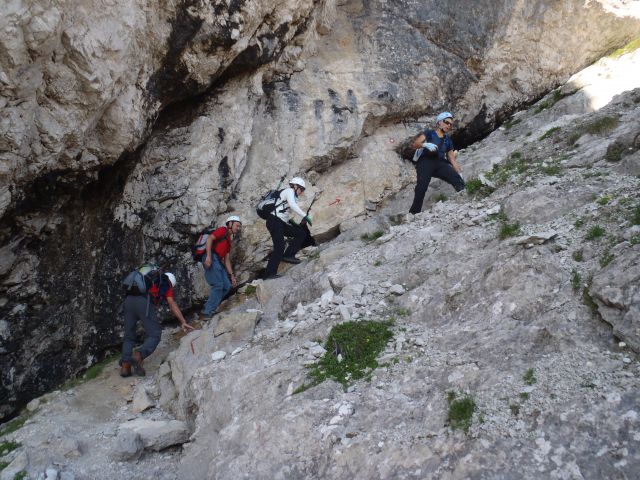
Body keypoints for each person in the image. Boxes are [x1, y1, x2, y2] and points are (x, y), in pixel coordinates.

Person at [121, 270, 194, 377]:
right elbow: (171, 303)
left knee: (129, 336)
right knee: (155, 334)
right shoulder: (166, 284)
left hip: (128, 301)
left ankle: (125, 367)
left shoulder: (147, 278)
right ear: (171, 282)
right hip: (143, 302)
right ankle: (138, 355)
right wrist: (183, 321)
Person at [409, 111, 465, 214]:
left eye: (451, 124)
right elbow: (415, 144)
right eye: (446, 122)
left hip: (439, 163)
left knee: (457, 180)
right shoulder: (429, 133)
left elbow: (452, 159)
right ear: (439, 122)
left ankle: (466, 199)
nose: (449, 125)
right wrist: (425, 145)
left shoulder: (447, 140)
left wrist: (460, 174)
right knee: (421, 188)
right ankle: (413, 214)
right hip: (425, 162)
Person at [264, 177, 312, 279]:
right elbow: (292, 205)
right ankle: (269, 274)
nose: (301, 192)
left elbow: (286, 213)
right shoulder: (289, 191)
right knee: (279, 247)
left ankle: (289, 255)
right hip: (274, 221)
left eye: (303, 190)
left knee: (300, 233)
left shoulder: (293, 196)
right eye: (301, 189)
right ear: (295, 186)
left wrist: (293, 223)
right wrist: (305, 215)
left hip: (280, 222)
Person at [201, 215, 242, 316]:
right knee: (218, 285)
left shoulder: (228, 242)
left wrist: (232, 276)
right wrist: (209, 257)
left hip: (218, 261)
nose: (238, 228)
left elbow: (227, 260)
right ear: (230, 224)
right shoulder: (223, 230)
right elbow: (210, 239)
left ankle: (208, 306)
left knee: (227, 286)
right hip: (211, 256)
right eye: (237, 225)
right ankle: (208, 311)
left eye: (239, 226)